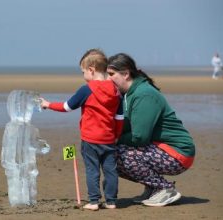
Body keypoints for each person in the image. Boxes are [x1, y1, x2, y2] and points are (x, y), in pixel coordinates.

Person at [106, 53, 195, 207]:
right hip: (158, 148)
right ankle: (154, 188)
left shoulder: (144, 94)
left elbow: (140, 137)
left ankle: (165, 189)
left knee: (115, 153)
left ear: (126, 74)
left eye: (111, 74)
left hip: (178, 152)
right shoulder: (127, 94)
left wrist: (114, 140)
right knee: (105, 151)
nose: (108, 79)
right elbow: (125, 126)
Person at [40, 49, 123, 210]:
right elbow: (119, 118)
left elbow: (67, 107)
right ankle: (111, 201)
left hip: (90, 139)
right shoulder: (116, 91)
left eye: (83, 72)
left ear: (91, 70)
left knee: (92, 169)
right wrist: (116, 136)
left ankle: (93, 201)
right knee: (110, 171)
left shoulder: (87, 89)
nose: (83, 75)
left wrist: (48, 104)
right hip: (109, 139)